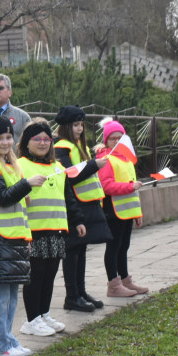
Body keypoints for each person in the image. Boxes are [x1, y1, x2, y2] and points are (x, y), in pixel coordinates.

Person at [0, 115, 45, 356]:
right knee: (0, 295)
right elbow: (1, 196)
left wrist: (23, 191)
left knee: (11, 293)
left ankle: (6, 339)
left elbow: (11, 198)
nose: (6, 142)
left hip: (15, 238)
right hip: (1, 239)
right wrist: (26, 185)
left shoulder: (8, 163)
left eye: (8, 137)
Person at [53, 106, 112, 312]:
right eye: (76, 125)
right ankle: (72, 295)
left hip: (87, 203)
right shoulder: (62, 147)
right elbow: (70, 174)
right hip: (74, 204)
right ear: (66, 126)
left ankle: (81, 291)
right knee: (72, 250)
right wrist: (95, 165)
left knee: (81, 249)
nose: (79, 129)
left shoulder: (79, 145)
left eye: (81, 125)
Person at [16, 119, 69, 337]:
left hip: (56, 229)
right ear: (26, 142)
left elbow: (65, 196)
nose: (42, 143)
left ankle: (44, 313)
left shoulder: (58, 167)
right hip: (33, 231)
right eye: (36, 139)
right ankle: (31, 319)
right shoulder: (19, 165)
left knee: (50, 275)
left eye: (47, 139)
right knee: (35, 276)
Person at [96, 120, 148, 298]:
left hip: (127, 211)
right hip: (113, 211)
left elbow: (133, 189)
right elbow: (106, 186)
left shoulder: (126, 159)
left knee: (123, 246)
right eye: (113, 139)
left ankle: (125, 280)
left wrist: (137, 213)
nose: (117, 142)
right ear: (106, 141)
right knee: (114, 247)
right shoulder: (106, 160)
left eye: (120, 138)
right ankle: (114, 284)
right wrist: (129, 187)